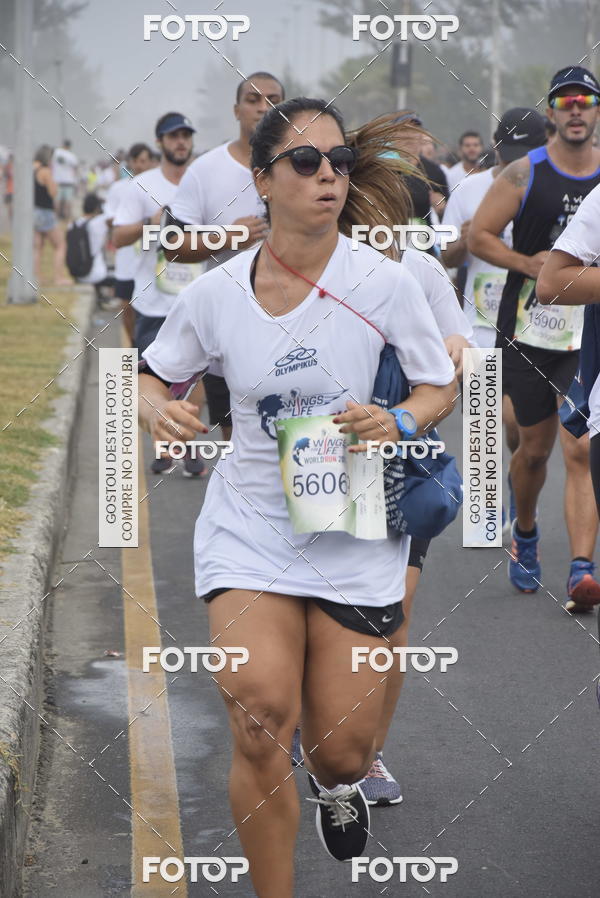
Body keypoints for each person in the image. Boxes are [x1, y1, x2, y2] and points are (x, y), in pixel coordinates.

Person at [138, 99, 457, 893]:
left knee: (339, 748)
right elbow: (150, 373)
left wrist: (400, 417)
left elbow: (437, 383)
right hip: (250, 523)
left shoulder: (384, 282)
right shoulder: (215, 294)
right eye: (307, 163)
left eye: (340, 163)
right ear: (262, 181)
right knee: (257, 718)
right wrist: (159, 407)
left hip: (349, 516)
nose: (328, 177)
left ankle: (338, 783)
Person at [469, 66, 600, 611]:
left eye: (586, 101)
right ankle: (525, 529)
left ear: (596, 112)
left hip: (585, 332)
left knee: (580, 446)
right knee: (534, 450)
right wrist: (528, 262)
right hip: (528, 325)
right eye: (565, 100)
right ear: (550, 111)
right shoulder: (524, 173)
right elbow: (477, 234)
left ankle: (580, 569)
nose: (575, 109)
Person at [165, 71, 285, 443]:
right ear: (236, 110)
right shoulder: (205, 170)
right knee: (237, 442)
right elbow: (172, 244)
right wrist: (226, 236)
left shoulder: (306, 165)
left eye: (274, 99)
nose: (264, 107)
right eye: (253, 99)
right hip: (229, 332)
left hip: (298, 328)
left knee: (296, 440)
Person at [113, 113, 206, 476]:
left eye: (186, 135)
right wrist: (149, 224)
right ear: (160, 143)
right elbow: (118, 237)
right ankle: (168, 446)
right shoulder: (140, 186)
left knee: (196, 378)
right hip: (153, 302)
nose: (180, 142)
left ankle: (187, 445)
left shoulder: (203, 181)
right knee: (157, 381)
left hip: (196, 299)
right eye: (173, 136)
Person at [104, 142, 153, 340]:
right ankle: (131, 347)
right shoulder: (118, 188)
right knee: (126, 305)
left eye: (145, 161)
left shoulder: (156, 187)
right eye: (137, 161)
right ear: (130, 163)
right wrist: (131, 224)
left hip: (150, 258)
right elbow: (109, 220)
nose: (141, 165)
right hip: (126, 258)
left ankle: (144, 355)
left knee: (148, 306)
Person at [69, 192, 114, 305]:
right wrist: (105, 204)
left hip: (78, 274)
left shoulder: (73, 224)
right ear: (97, 208)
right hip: (96, 274)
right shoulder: (98, 223)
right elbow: (112, 216)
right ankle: (110, 300)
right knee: (121, 276)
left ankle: (101, 297)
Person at [33, 144, 68, 285]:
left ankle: (37, 276)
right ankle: (59, 277)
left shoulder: (33, 169)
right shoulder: (46, 171)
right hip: (45, 212)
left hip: (35, 211)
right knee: (60, 245)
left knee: (38, 246)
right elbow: (53, 192)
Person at [52, 138, 78, 220]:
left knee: (57, 201)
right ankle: (66, 218)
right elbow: (75, 168)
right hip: (68, 181)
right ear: (70, 146)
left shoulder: (56, 152)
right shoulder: (72, 156)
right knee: (67, 201)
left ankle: (56, 217)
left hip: (57, 180)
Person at [3, 153, 13, 223]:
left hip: (12, 191)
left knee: (12, 208)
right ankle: (12, 221)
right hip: (9, 191)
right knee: (10, 209)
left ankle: (13, 221)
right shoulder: (7, 167)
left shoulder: (17, 167)